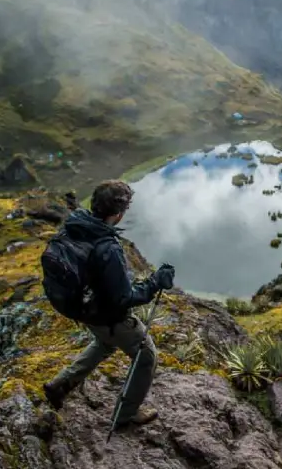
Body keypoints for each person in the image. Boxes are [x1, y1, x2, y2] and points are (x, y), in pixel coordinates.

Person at [42, 180, 175, 430]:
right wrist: (155, 282)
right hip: (106, 316)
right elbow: (123, 298)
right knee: (146, 356)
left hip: (82, 308)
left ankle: (59, 385)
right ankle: (126, 415)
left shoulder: (76, 226)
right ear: (119, 213)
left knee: (105, 343)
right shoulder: (108, 247)